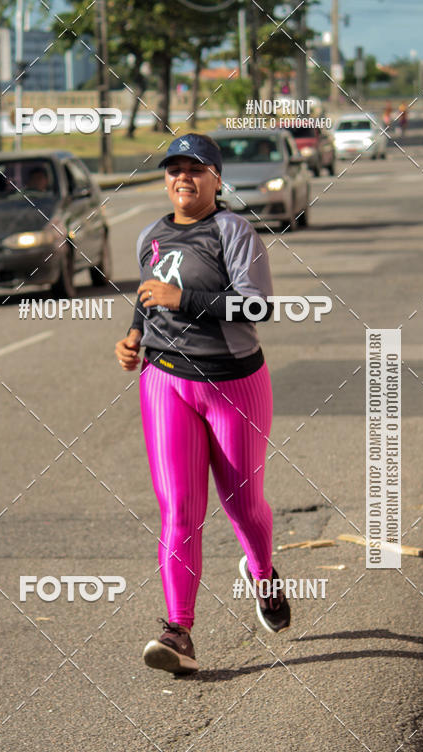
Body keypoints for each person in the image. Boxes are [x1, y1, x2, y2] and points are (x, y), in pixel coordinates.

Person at [114, 133, 290, 676]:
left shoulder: (234, 231)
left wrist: (184, 299)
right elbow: (149, 297)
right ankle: (178, 630)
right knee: (179, 510)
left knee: (242, 505)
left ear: (216, 178)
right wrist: (133, 337)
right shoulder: (150, 235)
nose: (182, 179)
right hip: (164, 381)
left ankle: (262, 573)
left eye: (195, 169)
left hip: (233, 385)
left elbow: (258, 305)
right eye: (174, 170)